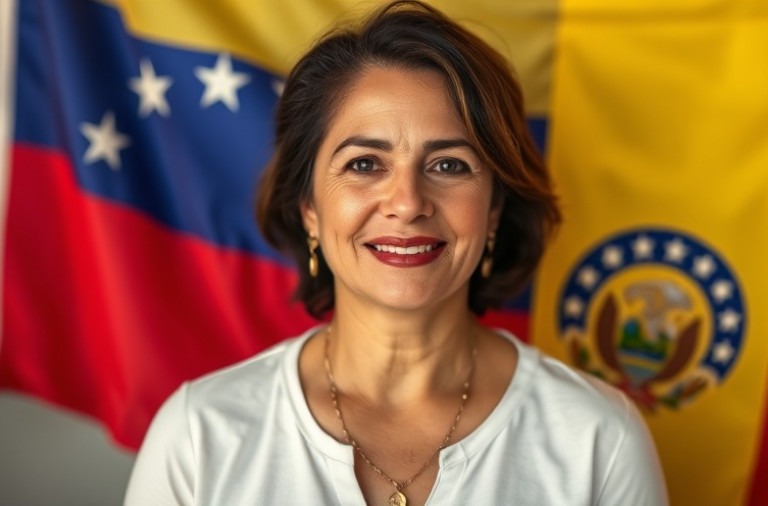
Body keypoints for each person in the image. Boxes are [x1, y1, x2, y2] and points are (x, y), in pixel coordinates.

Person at [124, 1, 668, 504]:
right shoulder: (199, 434)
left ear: (494, 210)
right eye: (364, 164)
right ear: (309, 207)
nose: (407, 203)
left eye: (449, 165)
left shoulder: (599, 438)